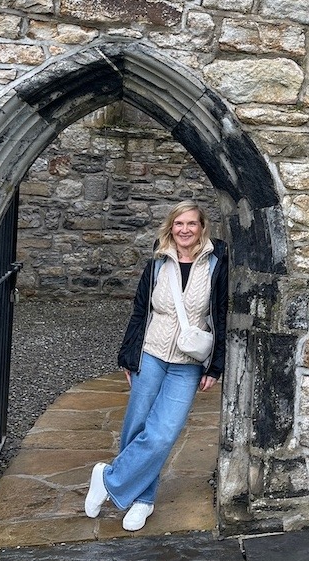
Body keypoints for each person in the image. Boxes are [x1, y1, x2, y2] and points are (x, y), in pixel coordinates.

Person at [84, 200, 228, 531]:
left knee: (163, 434)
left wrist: (215, 366)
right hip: (151, 353)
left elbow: (221, 314)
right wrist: (129, 354)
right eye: (179, 223)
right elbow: (140, 310)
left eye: (191, 223)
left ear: (202, 227)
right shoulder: (158, 260)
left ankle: (108, 479)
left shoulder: (216, 264)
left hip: (188, 362)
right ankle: (143, 500)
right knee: (137, 427)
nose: (185, 230)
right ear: (171, 227)